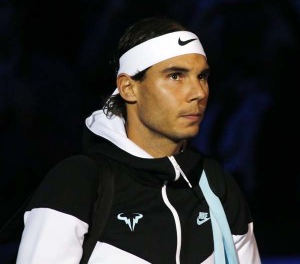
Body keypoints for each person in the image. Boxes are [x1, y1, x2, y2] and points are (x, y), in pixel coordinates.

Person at [16, 16, 261, 263]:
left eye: (202, 77)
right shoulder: (78, 183)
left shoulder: (217, 184)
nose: (198, 92)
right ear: (128, 88)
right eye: (175, 76)